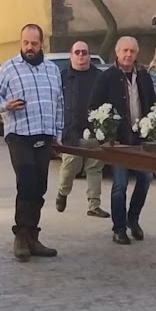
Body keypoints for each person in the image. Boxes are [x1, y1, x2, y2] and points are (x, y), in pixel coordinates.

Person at [0, 23, 64, 261]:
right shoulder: (9, 68)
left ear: (42, 44)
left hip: (44, 134)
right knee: (26, 178)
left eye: (34, 43)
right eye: (25, 43)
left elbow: (59, 102)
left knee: (39, 185)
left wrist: (58, 134)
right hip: (19, 133)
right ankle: (20, 235)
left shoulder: (52, 69)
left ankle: (33, 235)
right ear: (21, 42)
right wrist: (5, 106)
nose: (29, 47)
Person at [90, 36, 156, 245]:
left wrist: (155, 127)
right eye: (125, 51)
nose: (128, 55)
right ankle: (119, 228)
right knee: (120, 184)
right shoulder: (106, 77)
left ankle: (133, 220)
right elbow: (94, 107)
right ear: (117, 53)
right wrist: (104, 131)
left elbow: (153, 105)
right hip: (118, 141)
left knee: (145, 180)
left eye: (132, 51)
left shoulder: (144, 76)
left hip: (141, 139)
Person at [56, 42, 109, 218]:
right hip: (71, 132)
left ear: (89, 56)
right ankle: (63, 193)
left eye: (84, 53)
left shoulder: (99, 77)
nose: (81, 56)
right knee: (71, 166)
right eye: (77, 52)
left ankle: (94, 205)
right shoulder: (62, 77)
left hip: (95, 132)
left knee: (94, 169)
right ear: (71, 56)